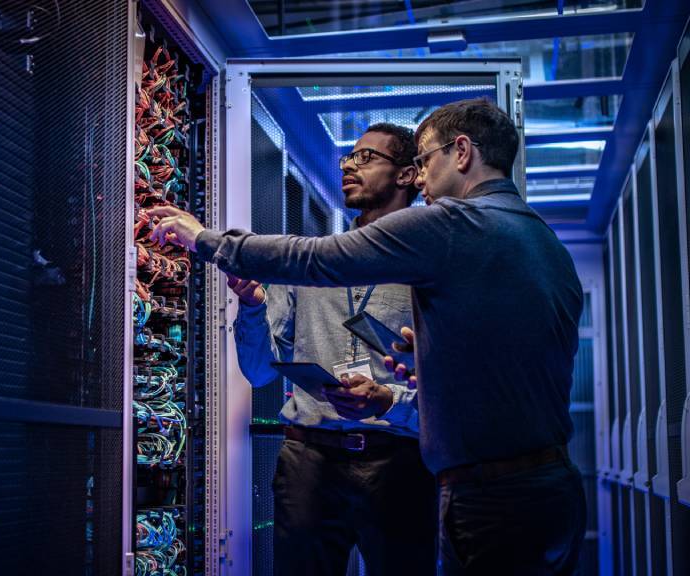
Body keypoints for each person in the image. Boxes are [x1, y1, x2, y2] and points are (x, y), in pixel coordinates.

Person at [147, 98, 586, 575]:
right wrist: (436, 357)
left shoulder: (454, 224)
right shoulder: (543, 242)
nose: (422, 177)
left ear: (461, 152)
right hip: (544, 483)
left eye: (425, 160)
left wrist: (204, 239)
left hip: (481, 490)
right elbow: (513, 361)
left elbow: (314, 260)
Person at [226, 123, 434, 576]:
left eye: (365, 158)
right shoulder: (311, 262)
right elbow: (260, 371)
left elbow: (452, 383)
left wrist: (388, 399)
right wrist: (252, 306)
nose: (348, 167)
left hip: (400, 460)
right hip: (309, 459)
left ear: (406, 175)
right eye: (347, 158)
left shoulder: (430, 265)